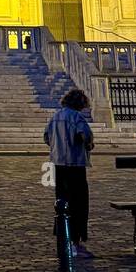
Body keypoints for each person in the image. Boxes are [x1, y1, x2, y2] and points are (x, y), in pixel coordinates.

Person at [43, 87, 95, 257]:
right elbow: (85, 135)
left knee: (61, 203)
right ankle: (75, 242)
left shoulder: (55, 116)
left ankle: (63, 239)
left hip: (57, 165)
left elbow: (46, 137)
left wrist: (57, 146)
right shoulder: (76, 116)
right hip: (74, 164)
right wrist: (86, 145)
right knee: (78, 204)